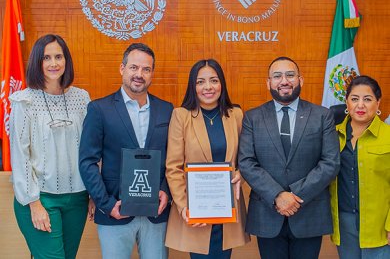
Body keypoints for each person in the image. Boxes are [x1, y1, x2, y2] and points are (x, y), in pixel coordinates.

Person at [238, 56, 340, 259]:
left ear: (300, 80)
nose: (284, 81)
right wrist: (277, 195)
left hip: (309, 213)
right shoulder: (252, 117)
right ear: (268, 82)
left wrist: (293, 196)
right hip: (267, 214)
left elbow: (330, 162)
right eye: (277, 76)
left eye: (290, 75)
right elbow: (247, 162)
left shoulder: (322, 115)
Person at [79, 43, 173, 259]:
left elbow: (173, 158)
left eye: (146, 69)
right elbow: (87, 162)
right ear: (122, 68)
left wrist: (165, 191)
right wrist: (106, 203)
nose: (139, 74)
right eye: (134, 67)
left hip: (156, 212)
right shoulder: (99, 109)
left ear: (152, 74)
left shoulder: (166, 110)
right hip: (116, 211)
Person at [9, 34, 92, 259]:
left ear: (67, 61)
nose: (53, 63)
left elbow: (90, 150)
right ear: (37, 62)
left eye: (58, 56)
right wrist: (33, 203)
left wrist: (93, 194)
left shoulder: (82, 98)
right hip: (40, 199)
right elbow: (20, 155)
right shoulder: (23, 101)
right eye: (46, 58)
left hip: (77, 198)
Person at [165, 59, 250, 258]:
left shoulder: (235, 115)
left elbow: (246, 159)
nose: (208, 87)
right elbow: (173, 167)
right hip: (195, 211)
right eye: (200, 82)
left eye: (214, 80)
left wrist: (241, 173)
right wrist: (184, 206)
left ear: (222, 84)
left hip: (227, 209)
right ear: (193, 87)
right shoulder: (181, 116)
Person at [329, 75, 390, 258]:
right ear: (346, 103)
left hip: (379, 223)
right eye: (354, 99)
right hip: (344, 223)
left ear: (378, 103)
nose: (360, 105)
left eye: (368, 99)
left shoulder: (388, 135)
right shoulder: (332, 136)